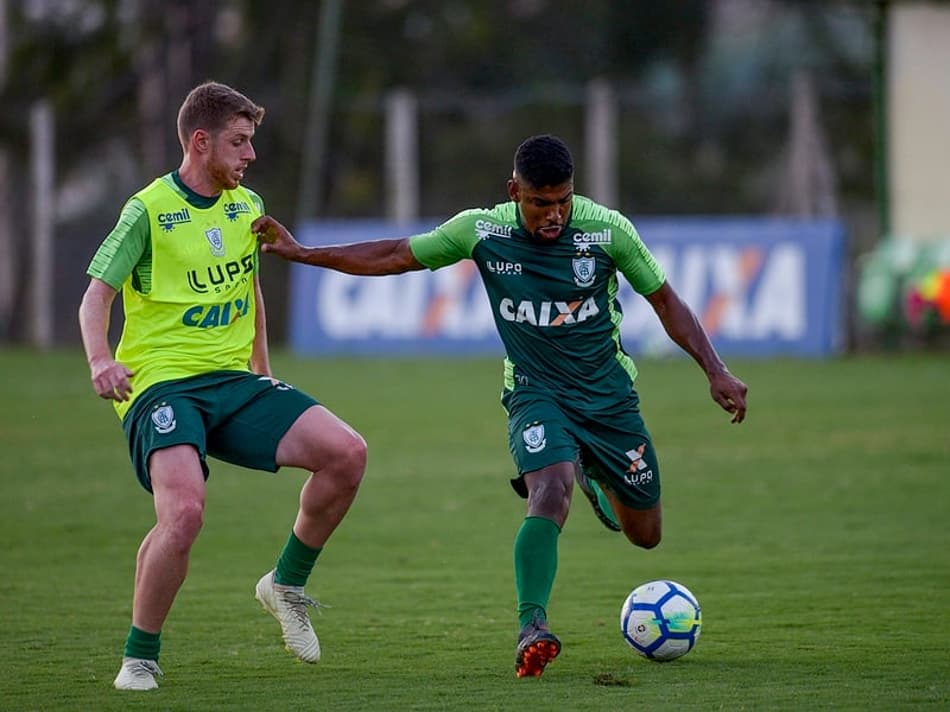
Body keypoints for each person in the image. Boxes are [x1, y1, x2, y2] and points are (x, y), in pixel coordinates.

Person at [252, 134, 747, 678]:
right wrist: (302, 254)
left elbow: (665, 300)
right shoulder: (481, 231)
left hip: (609, 399)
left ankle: (593, 468)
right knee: (548, 492)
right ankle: (532, 625)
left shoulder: (607, 231)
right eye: (540, 203)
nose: (554, 214)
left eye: (563, 200)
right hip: (534, 392)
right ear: (514, 192)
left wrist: (715, 368)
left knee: (645, 534)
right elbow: (396, 254)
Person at [78, 81, 367, 691]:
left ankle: (285, 584)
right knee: (182, 514)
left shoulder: (247, 206)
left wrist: (262, 368)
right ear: (200, 142)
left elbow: (250, 289)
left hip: (234, 382)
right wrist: (102, 361)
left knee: (347, 453)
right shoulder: (149, 210)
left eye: (252, 142)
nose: (250, 155)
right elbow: (95, 297)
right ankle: (140, 657)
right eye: (239, 143)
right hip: (160, 386)